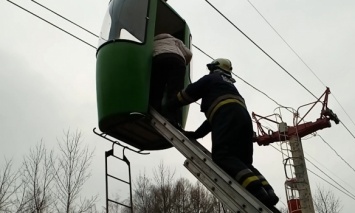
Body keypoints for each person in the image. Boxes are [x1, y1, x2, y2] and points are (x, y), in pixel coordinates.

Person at [165, 58, 280, 210]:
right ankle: (269, 193)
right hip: (243, 120)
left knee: (222, 156)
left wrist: (170, 104)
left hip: (227, 115)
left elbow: (189, 93)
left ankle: (256, 190)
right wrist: (197, 134)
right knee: (242, 161)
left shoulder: (211, 78)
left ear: (215, 68)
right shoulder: (229, 86)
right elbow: (215, 118)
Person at [150, 33, 192, 125]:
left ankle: (155, 110)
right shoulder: (176, 41)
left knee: (158, 88)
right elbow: (188, 53)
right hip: (177, 60)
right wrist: (184, 61)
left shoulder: (152, 42)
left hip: (159, 59)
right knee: (175, 91)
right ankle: (172, 117)